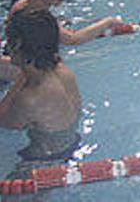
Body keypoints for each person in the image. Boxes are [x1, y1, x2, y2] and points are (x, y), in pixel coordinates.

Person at [0, 9, 82, 177]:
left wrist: (18, 79)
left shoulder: (31, 97)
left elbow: (4, 120)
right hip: (69, 144)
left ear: (16, 45)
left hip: (43, 161)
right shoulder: (60, 68)